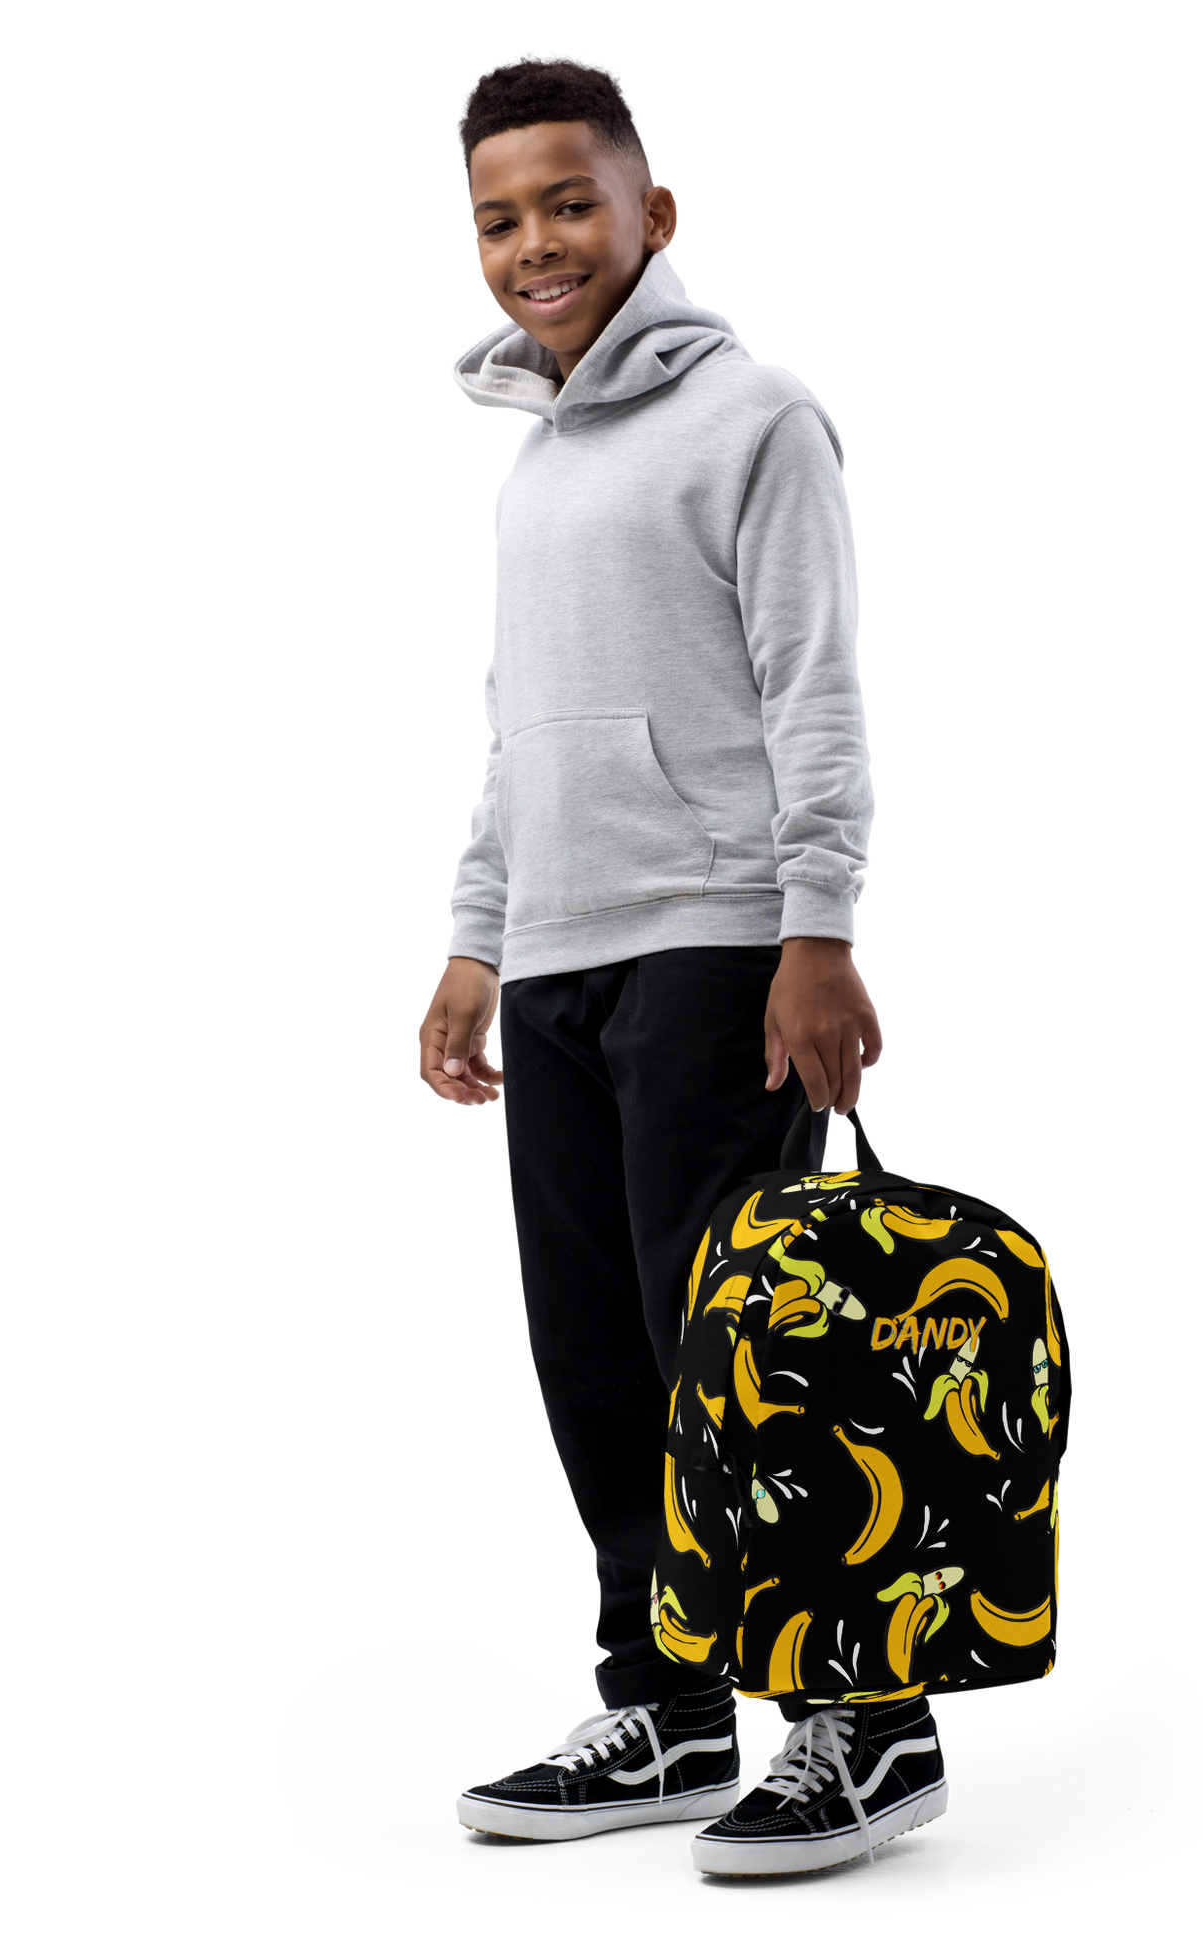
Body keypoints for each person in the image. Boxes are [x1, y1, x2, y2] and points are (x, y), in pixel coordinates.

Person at [418, 49, 944, 1873]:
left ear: (653, 213)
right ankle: (674, 1701)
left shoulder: (760, 415)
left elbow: (817, 686)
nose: (535, 244)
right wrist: (476, 937)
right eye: (498, 218)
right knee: (590, 1355)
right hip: (556, 959)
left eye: (570, 202)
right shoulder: (528, 470)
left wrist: (820, 926)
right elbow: (514, 730)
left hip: (720, 942)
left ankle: (863, 1716)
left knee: (753, 1352)